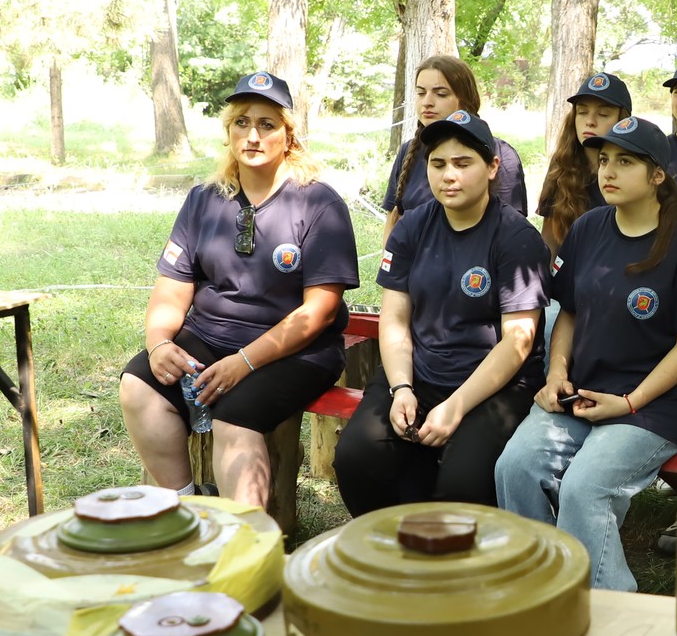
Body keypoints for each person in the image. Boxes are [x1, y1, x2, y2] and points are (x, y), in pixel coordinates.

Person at [495, 117, 677, 590]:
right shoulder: (588, 228)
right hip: (580, 393)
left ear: (658, 175)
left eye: (625, 162)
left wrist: (628, 403)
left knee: (585, 487)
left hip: (650, 408)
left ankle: (610, 605)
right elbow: (569, 313)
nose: (608, 171)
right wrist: (556, 372)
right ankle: (538, 585)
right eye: (604, 160)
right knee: (514, 467)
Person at [121, 72, 357, 507]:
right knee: (139, 387)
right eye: (241, 123)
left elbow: (319, 311)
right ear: (228, 132)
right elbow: (172, 287)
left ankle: (246, 539)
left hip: (295, 352)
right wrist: (158, 344)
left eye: (267, 124)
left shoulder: (318, 204)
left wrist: (244, 362)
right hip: (211, 337)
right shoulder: (204, 199)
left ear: (288, 136)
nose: (252, 135)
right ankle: (186, 507)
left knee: (234, 419)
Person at [334, 112, 547, 514]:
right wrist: (401, 388)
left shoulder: (517, 238)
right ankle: (394, 543)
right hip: (421, 373)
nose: (449, 175)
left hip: (494, 386)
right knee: (357, 457)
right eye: (438, 164)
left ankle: (457, 547)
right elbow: (395, 319)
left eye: (463, 163)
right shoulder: (411, 228)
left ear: (492, 167)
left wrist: (457, 405)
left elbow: (517, 343)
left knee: (462, 485)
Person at [380, 55, 527, 236]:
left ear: (465, 98)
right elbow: (393, 221)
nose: (427, 102)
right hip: (413, 254)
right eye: (421, 93)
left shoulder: (501, 154)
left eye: (441, 94)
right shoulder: (409, 151)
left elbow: (512, 230)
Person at [538, 72, 631, 252]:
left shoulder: (637, 169)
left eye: (603, 114)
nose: (590, 121)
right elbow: (549, 241)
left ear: (623, 122)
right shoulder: (561, 164)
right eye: (582, 112)